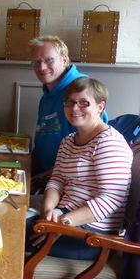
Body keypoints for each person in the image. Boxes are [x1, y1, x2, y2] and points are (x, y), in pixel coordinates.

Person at [27, 77, 132, 259]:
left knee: (6, 231)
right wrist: (48, 211)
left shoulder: (109, 143)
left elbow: (111, 200)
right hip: (64, 216)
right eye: (70, 102)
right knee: (8, 215)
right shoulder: (69, 141)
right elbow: (57, 180)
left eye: (84, 103)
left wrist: (62, 224)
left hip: (92, 235)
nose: (75, 108)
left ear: (100, 107)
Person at [30, 36, 108, 190]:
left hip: (69, 185)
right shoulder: (48, 91)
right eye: (37, 62)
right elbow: (41, 139)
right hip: (46, 175)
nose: (42, 67)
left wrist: (41, 178)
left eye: (48, 60)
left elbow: (91, 151)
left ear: (64, 60)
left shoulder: (80, 90)